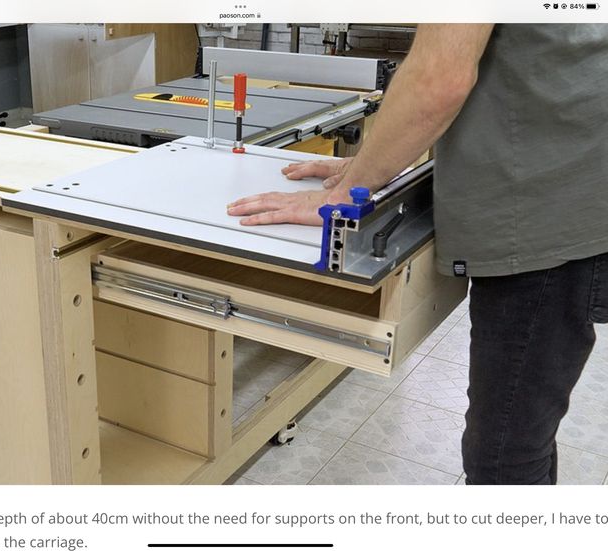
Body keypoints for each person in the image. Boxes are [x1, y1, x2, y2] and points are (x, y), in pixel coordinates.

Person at [227, 24, 608, 484]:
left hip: (548, 214)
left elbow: (439, 78)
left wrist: (345, 195)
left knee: (505, 456)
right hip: (564, 185)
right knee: (521, 438)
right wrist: (371, 164)